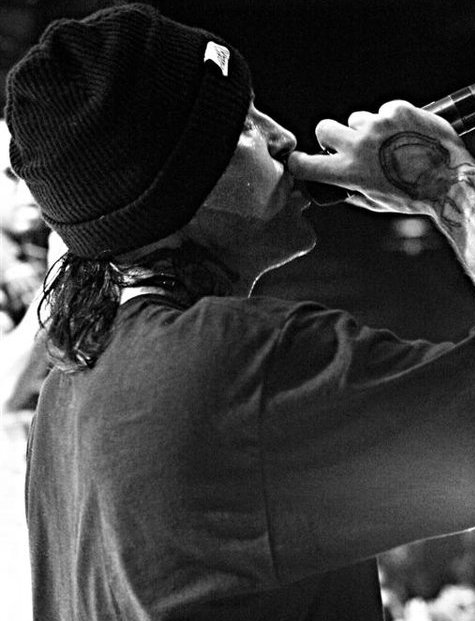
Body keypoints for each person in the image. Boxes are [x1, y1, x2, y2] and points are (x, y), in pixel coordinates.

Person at [5, 3, 475, 620]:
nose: (283, 137)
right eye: (245, 125)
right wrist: (451, 190)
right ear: (176, 183)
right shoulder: (236, 363)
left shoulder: (67, 395)